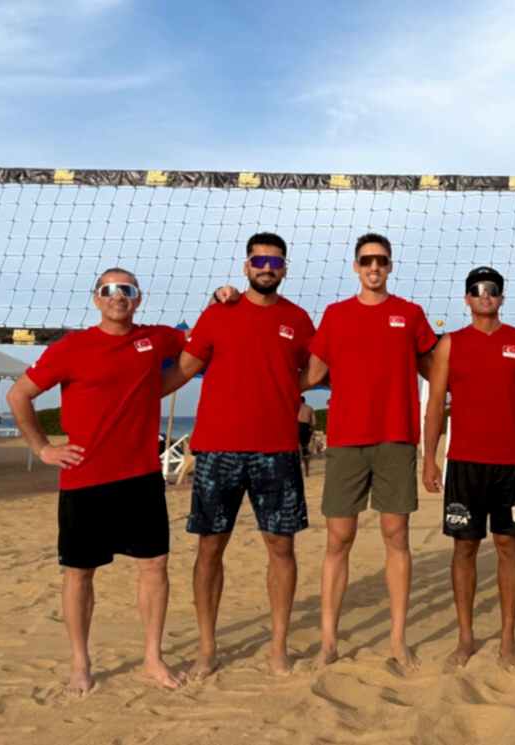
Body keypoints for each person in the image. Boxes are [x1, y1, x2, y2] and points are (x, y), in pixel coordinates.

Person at [6, 267, 185, 694]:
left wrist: (221, 301)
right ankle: (80, 664)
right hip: (85, 479)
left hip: (141, 476)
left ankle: (152, 658)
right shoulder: (72, 347)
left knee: (154, 566)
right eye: (109, 289)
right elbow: (19, 395)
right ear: (96, 299)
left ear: (138, 298)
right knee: (79, 573)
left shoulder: (158, 338)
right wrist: (43, 448)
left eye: (127, 289)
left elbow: (201, 348)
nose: (117, 295)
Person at [162, 232, 316, 677]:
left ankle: (278, 647)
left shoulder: (298, 319)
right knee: (210, 548)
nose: (267, 268)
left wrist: (284, 387)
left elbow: (318, 369)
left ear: (285, 269)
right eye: (259, 260)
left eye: (275, 262)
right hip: (218, 449)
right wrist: (131, 397)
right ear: (246, 266)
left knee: (281, 547)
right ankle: (207, 649)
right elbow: (184, 369)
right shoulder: (218, 312)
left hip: (276, 449)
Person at [302, 232, 437, 671]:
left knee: (396, 536)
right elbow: (311, 373)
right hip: (346, 439)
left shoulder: (410, 314)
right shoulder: (336, 314)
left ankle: (397, 639)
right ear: (356, 267)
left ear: (390, 266)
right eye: (366, 261)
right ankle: (328, 641)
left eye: (381, 260)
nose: (374, 267)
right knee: (339, 538)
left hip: (396, 438)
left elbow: (438, 371)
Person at [422, 266, 515, 670]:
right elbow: (435, 403)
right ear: (467, 298)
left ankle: (508, 637)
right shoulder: (451, 343)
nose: (484, 295)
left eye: (492, 289)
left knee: (509, 546)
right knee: (464, 547)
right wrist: (429, 458)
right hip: (464, 463)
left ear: (501, 297)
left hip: (511, 464)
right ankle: (465, 636)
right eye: (476, 290)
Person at [298, 397, 316, 477]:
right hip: (306, 428)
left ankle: (297, 470)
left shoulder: (294, 407)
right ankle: (307, 471)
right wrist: (312, 431)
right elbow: (314, 422)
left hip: (296, 427)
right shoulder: (310, 408)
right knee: (305, 449)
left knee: (295, 450)